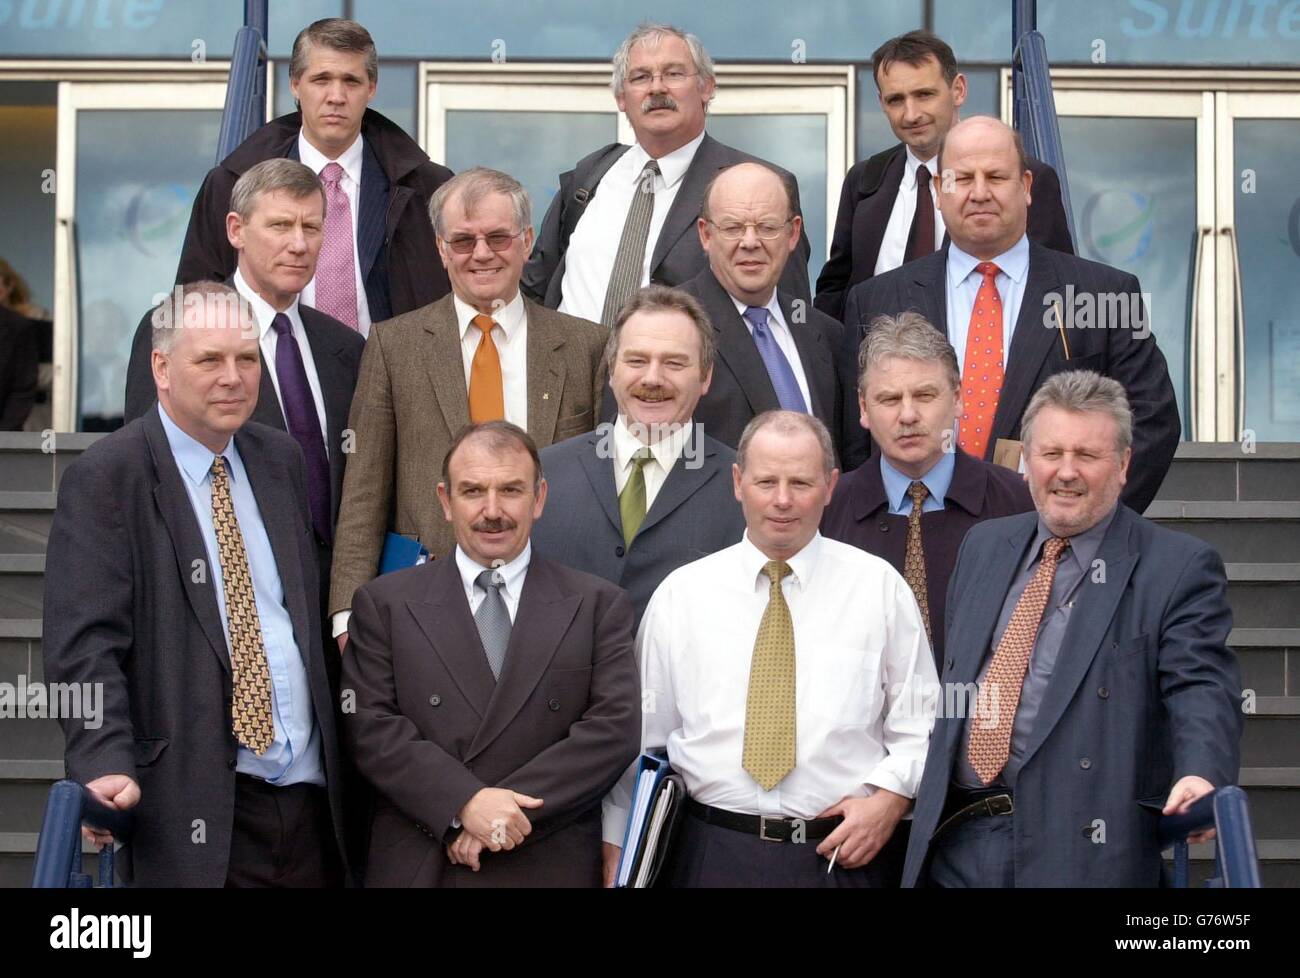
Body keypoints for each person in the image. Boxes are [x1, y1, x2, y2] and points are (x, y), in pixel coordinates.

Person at [43, 281, 348, 886]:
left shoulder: (280, 459)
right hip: (194, 811)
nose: (233, 377)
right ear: (161, 366)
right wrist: (104, 759)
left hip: (309, 809)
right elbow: (84, 647)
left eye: (246, 358)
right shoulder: (108, 478)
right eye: (209, 359)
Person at [903, 371, 1241, 888]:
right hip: (957, 843)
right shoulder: (984, 545)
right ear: (1026, 461)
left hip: (1082, 851)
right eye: (1051, 453)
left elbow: (1201, 685)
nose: (1065, 472)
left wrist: (1200, 771)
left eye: (1086, 455)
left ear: (1124, 464)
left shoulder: (1176, 567)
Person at [607, 410, 937, 887]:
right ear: (738, 483)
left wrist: (891, 799)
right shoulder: (682, 596)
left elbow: (921, 724)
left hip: (839, 857)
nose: (783, 501)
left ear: (830, 485)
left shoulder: (879, 590)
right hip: (707, 852)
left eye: (801, 483)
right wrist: (619, 841)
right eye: (767, 482)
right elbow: (641, 740)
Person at [341, 422, 640, 886]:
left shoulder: (599, 605)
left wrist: (498, 818)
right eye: (473, 491)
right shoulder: (384, 604)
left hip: (546, 858)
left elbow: (612, 733)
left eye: (511, 490)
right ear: (445, 500)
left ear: (539, 499)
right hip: (427, 859)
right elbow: (371, 730)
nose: (492, 510)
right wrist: (463, 804)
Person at [837, 116, 1179, 513]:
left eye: (996, 177)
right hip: (915, 540)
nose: (979, 193)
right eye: (962, 179)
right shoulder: (876, 300)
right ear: (938, 190)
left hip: (1054, 543)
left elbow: (1154, 422)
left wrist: (1088, 522)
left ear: (1027, 187)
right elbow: (856, 441)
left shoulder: (1105, 294)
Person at [329, 167, 608, 651]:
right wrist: (348, 615)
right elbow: (364, 494)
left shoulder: (587, 346)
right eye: (463, 241)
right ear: (440, 249)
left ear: (526, 240)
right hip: (423, 607)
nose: (481, 254)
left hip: (555, 607)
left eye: (498, 238)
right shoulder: (394, 346)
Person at [176, 18, 453, 333]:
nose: (336, 96)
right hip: (279, 373)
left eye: (351, 81)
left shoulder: (430, 189)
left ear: (371, 88)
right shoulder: (231, 184)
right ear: (295, 84)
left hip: (397, 377)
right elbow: (193, 304)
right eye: (321, 79)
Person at [522, 22, 811, 321]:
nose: (657, 88)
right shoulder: (588, 177)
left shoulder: (759, 188)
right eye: (640, 77)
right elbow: (533, 289)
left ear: (706, 87)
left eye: (673, 74)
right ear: (622, 97)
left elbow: (786, 324)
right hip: (574, 367)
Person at [814, 30, 1073, 322]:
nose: (911, 114)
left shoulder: (1026, 178)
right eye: (896, 100)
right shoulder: (864, 179)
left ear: (958, 90)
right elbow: (834, 292)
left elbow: (1057, 288)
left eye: (924, 95)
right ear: (881, 102)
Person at [821, 312, 1033, 665]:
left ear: (959, 398)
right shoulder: (827, 508)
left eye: (924, 395)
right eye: (889, 399)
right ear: (863, 408)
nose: (907, 415)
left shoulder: (1017, 503)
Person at [532, 285, 744, 627]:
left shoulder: (741, 490)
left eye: (674, 363)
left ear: (705, 377)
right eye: (636, 360)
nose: (652, 378)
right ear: (611, 370)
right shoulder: (543, 475)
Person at [680, 162, 842, 451]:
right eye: (732, 227)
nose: (750, 242)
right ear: (706, 234)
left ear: (793, 234)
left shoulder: (826, 335)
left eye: (767, 227)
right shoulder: (671, 326)